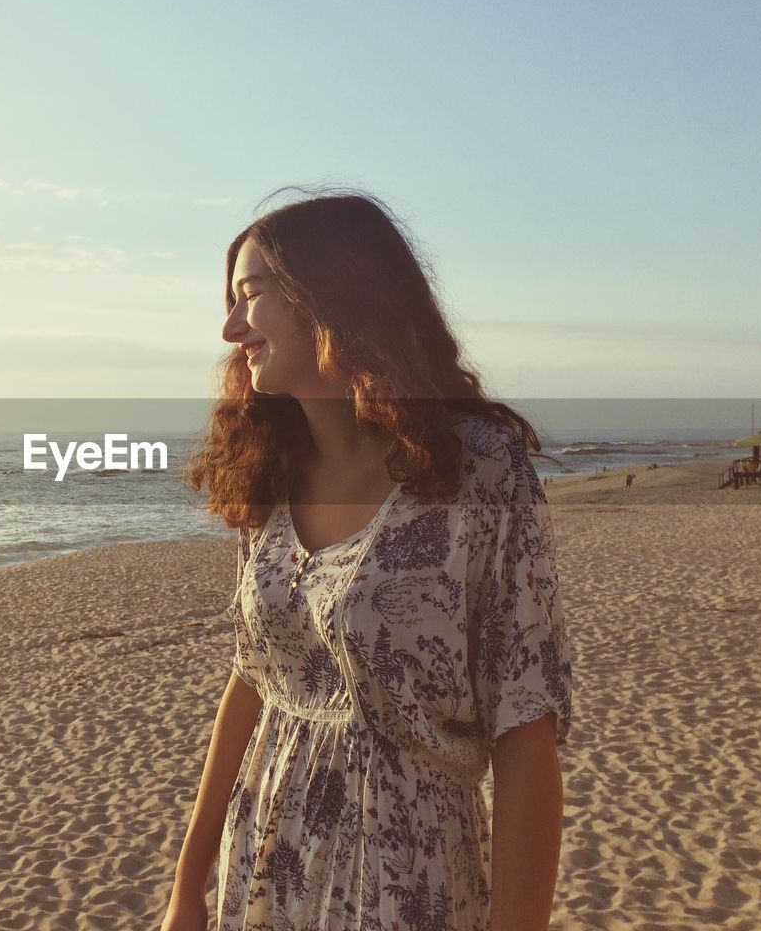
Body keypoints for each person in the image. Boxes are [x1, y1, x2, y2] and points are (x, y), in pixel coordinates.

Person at [167, 188, 574, 931]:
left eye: (250, 297)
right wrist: (185, 890)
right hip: (261, 872)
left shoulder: (477, 468)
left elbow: (526, 725)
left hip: (406, 880)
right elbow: (250, 681)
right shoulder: (272, 470)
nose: (231, 329)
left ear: (330, 294)